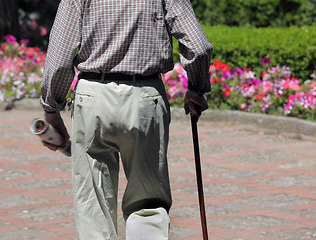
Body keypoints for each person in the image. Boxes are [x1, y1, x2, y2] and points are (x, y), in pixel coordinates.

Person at [40, 0, 212, 239]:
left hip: (92, 97)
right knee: (148, 201)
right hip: (145, 97)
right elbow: (199, 46)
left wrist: (51, 108)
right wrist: (196, 88)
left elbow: (60, 55)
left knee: (93, 203)